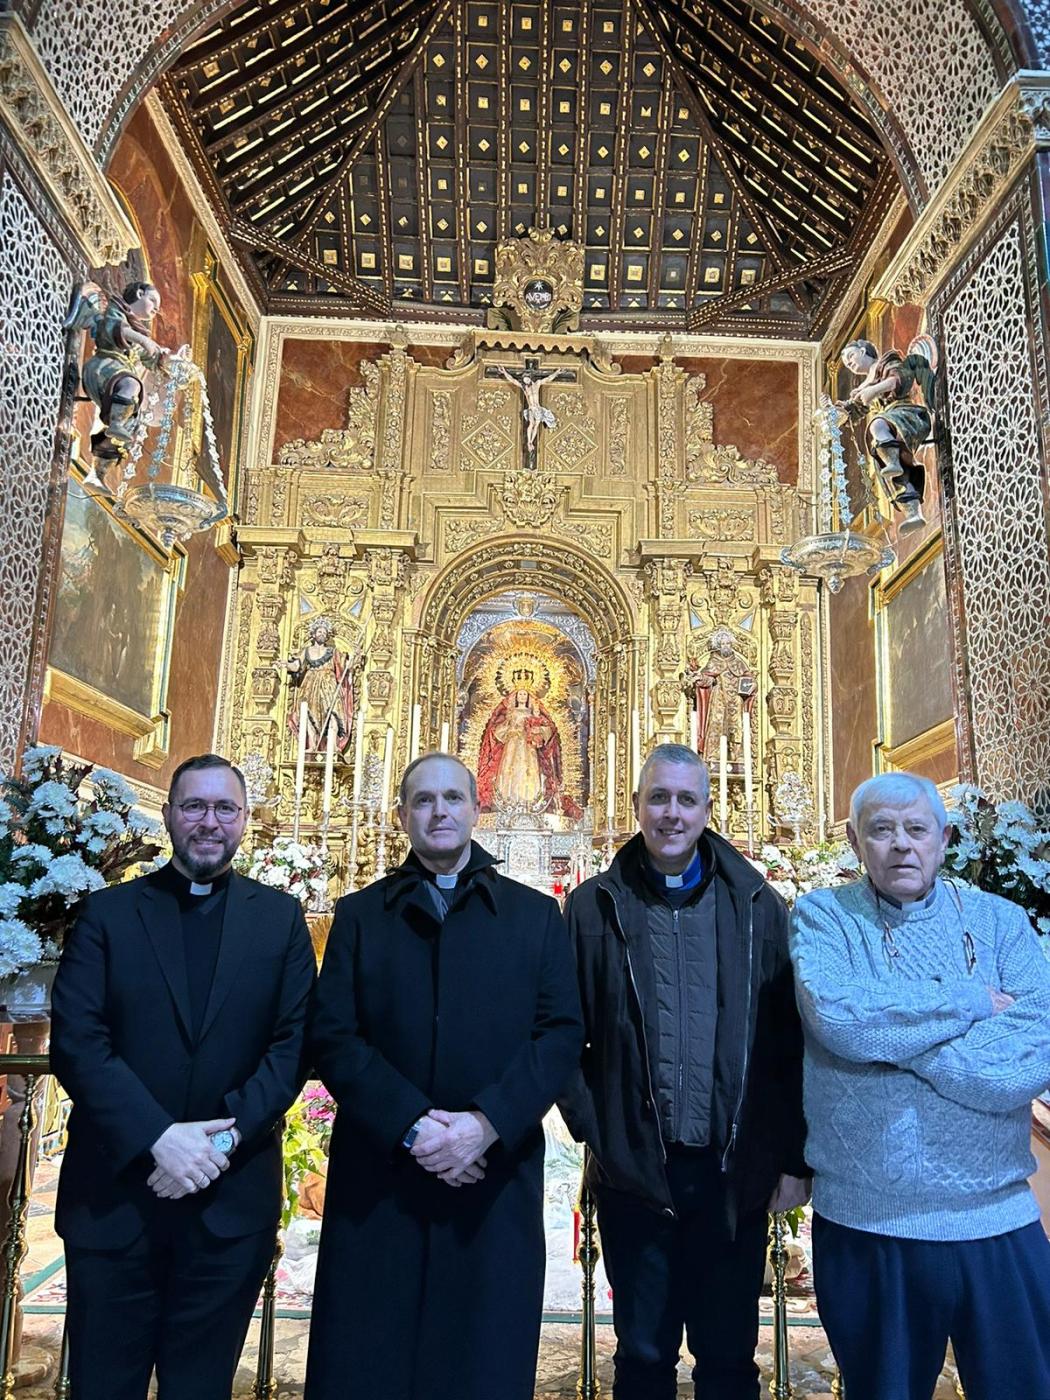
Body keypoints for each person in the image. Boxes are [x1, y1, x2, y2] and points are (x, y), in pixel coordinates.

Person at [304, 752, 582, 1400]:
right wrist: (414, 1127)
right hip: (381, 1178)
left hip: (492, 1178)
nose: (439, 812)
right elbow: (334, 1036)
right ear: (401, 814)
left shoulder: (534, 916)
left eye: (452, 798)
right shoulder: (361, 915)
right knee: (369, 1361)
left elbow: (560, 1033)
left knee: (480, 1361)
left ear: (476, 809)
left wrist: (485, 1124)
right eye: (423, 800)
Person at [50, 753, 316, 1400]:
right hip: (113, 1199)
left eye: (225, 808)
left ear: (245, 819)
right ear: (168, 815)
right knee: (101, 1385)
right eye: (194, 806)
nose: (209, 821)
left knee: (201, 1386)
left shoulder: (279, 919)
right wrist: (159, 1138)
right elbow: (79, 1042)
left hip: (228, 1205)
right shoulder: (108, 914)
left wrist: (217, 1142)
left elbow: (293, 1048)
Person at [559, 742, 809, 1399]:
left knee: (728, 1360)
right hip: (636, 1173)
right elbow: (560, 1032)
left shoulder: (759, 907)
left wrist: (794, 1158)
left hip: (733, 1173)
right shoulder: (591, 907)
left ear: (706, 809)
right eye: (659, 798)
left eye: (686, 800)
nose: (672, 813)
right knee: (643, 1357)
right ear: (637, 804)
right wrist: (597, 1129)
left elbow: (786, 1042)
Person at [790, 771, 1050, 1400]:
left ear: (945, 838)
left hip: (996, 1215)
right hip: (869, 1219)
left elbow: (1031, 1054)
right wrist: (969, 1002)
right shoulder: (824, 918)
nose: (901, 844)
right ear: (855, 840)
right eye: (881, 829)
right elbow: (838, 1017)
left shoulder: (1001, 922)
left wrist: (895, 1042)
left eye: (916, 828)